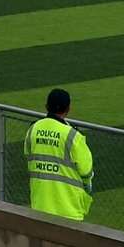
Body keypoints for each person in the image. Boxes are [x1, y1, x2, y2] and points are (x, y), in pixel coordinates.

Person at [24, 88, 94, 221]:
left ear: (46, 107)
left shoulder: (33, 129)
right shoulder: (73, 136)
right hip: (68, 209)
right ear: (68, 109)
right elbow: (86, 171)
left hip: (39, 204)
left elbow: (28, 157)